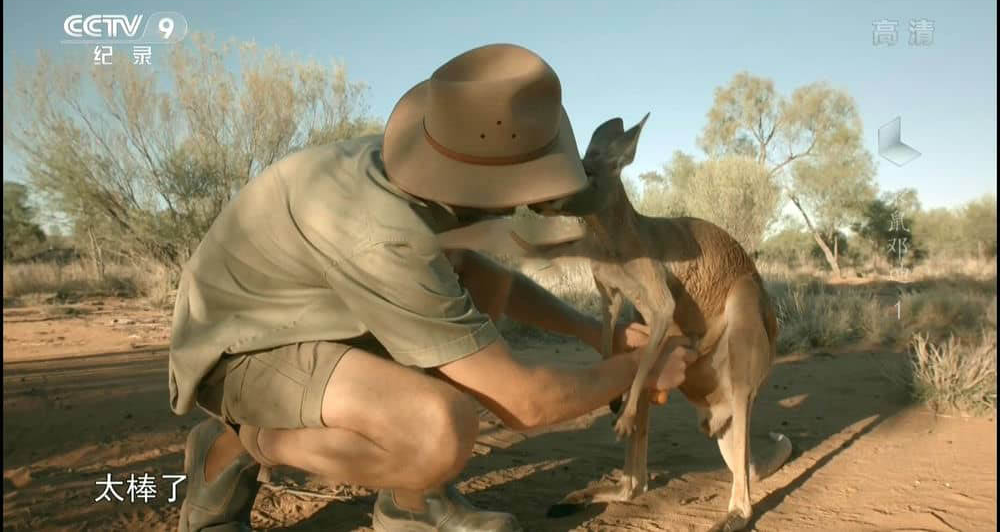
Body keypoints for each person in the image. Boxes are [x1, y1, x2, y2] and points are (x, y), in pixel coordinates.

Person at [169, 43, 697, 532]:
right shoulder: (383, 231)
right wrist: (635, 368)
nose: (532, 203)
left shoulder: (425, 177)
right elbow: (523, 402)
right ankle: (239, 439)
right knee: (440, 431)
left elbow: (495, 284)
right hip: (242, 346)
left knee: (477, 278)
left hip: (313, 309)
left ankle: (412, 505)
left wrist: (593, 333)